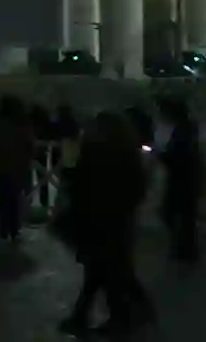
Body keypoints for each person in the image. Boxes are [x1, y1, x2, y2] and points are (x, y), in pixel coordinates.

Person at [60, 110, 152, 335]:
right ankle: (123, 315)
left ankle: (97, 317)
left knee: (102, 272)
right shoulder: (129, 154)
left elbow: (78, 185)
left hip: (95, 220)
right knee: (110, 271)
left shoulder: (92, 150)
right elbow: (138, 188)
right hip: (119, 222)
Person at [0, 95, 36, 245]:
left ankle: (2, 228)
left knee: (1, 198)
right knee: (15, 198)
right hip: (18, 168)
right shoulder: (22, 125)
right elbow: (30, 147)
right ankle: (14, 229)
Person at [156, 95, 202, 263]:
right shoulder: (188, 128)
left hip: (181, 179)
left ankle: (184, 250)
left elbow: (178, 156)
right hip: (188, 178)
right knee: (185, 215)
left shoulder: (182, 131)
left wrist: (160, 156)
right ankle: (186, 249)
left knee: (174, 213)